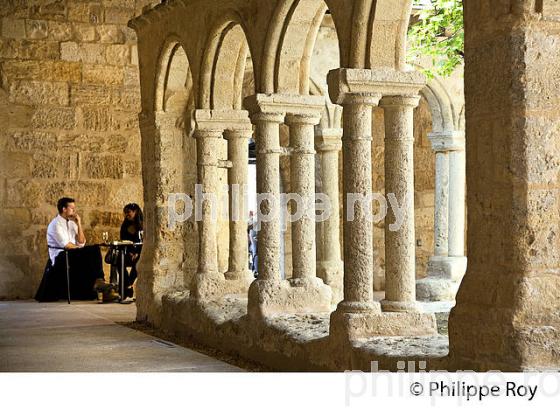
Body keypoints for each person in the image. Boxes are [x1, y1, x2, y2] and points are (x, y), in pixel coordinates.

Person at [35, 197, 115, 302]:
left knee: (94, 249)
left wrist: (79, 224)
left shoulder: (72, 223)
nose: (74, 210)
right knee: (92, 250)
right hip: (60, 256)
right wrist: (81, 249)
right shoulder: (55, 224)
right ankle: (99, 283)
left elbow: (82, 242)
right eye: (72, 208)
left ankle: (100, 282)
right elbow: (66, 245)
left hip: (72, 254)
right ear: (64, 209)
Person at [107, 203, 143, 300]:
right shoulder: (125, 225)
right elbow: (123, 241)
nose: (126, 214)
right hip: (128, 253)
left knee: (139, 262)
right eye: (125, 213)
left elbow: (145, 241)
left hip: (141, 253)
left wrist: (138, 253)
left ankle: (128, 286)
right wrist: (131, 252)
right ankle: (127, 286)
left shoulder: (144, 224)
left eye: (128, 212)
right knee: (119, 261)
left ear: (135, 212)